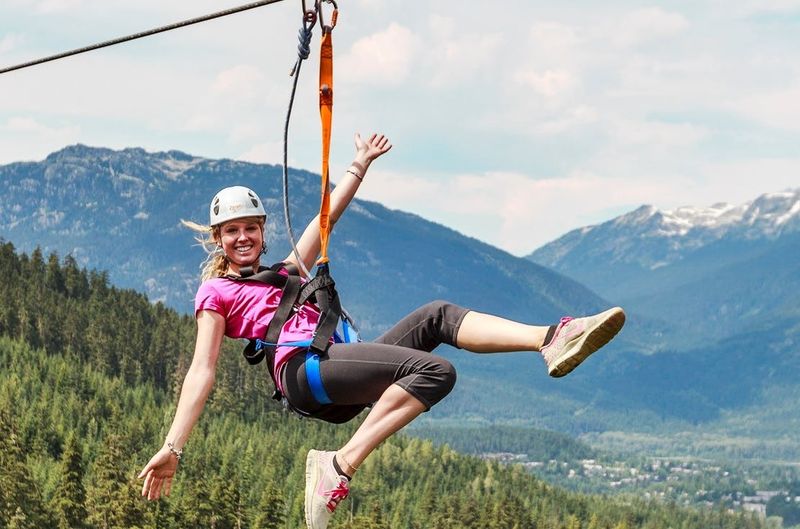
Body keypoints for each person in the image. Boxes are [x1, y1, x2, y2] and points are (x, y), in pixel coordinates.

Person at [138, 132, 626, 529]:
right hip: (302, 373)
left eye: (251, 228)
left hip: (331, 367)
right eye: (232, 231)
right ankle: (338, 466)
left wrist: (358, 165)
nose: (243, 237)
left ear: (264, 231)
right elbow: (201, 372)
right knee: (434, 373)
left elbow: (326, 216)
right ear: (218, 239)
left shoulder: (287, 270)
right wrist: (173, 446)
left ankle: (550, 338)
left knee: (437, 315)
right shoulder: (216, 294)